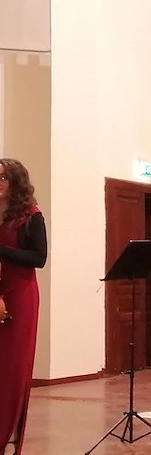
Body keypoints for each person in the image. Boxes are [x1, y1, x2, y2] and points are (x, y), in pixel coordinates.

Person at [0, 158, 47, 454]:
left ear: (15, 181)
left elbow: (38, 259)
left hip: (21, 294)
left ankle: (6, 435)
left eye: (2, 176)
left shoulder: (31, 215)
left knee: (12, 369)